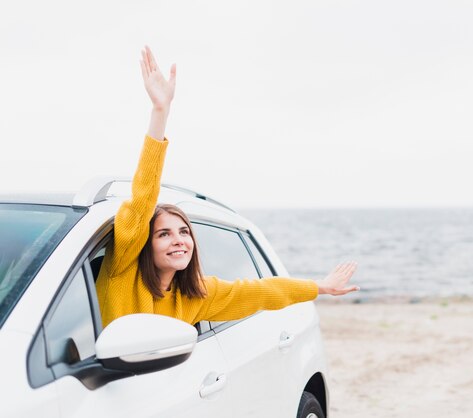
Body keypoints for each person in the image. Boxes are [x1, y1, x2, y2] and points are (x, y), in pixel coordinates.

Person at [96, 46, 359, 328]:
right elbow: (144, 196)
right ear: (143, 243)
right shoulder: (122, 268)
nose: (179, 240)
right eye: (163, 234)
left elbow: (261, 292)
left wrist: (320, 287)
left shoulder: (197, 296)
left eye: (184, 232)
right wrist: (160, 111)